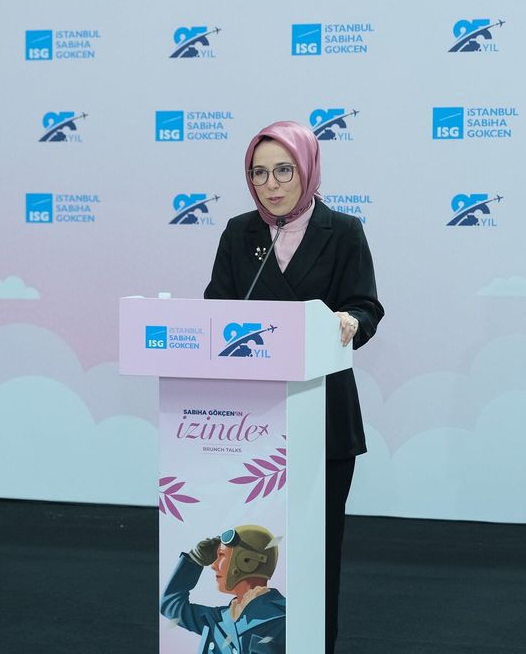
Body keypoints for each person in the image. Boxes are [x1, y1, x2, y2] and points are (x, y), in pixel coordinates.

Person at [204, 120, 384, 653]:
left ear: (307, 169)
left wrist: (350, 322)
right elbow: (216, 308)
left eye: (284, 170)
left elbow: (366, 307)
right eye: (258, 173)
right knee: (252, 549)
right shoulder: (239, 232)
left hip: (321, 416)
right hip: (248, 420)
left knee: (314, 548)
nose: (271, 184)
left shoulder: (343, 231)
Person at [160, 526, 285, 654]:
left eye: (221, 555)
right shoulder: (217, 620)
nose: (214, 565)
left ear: (247, 561)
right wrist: (195, 559)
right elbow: (170, 604)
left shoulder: (285, 618)